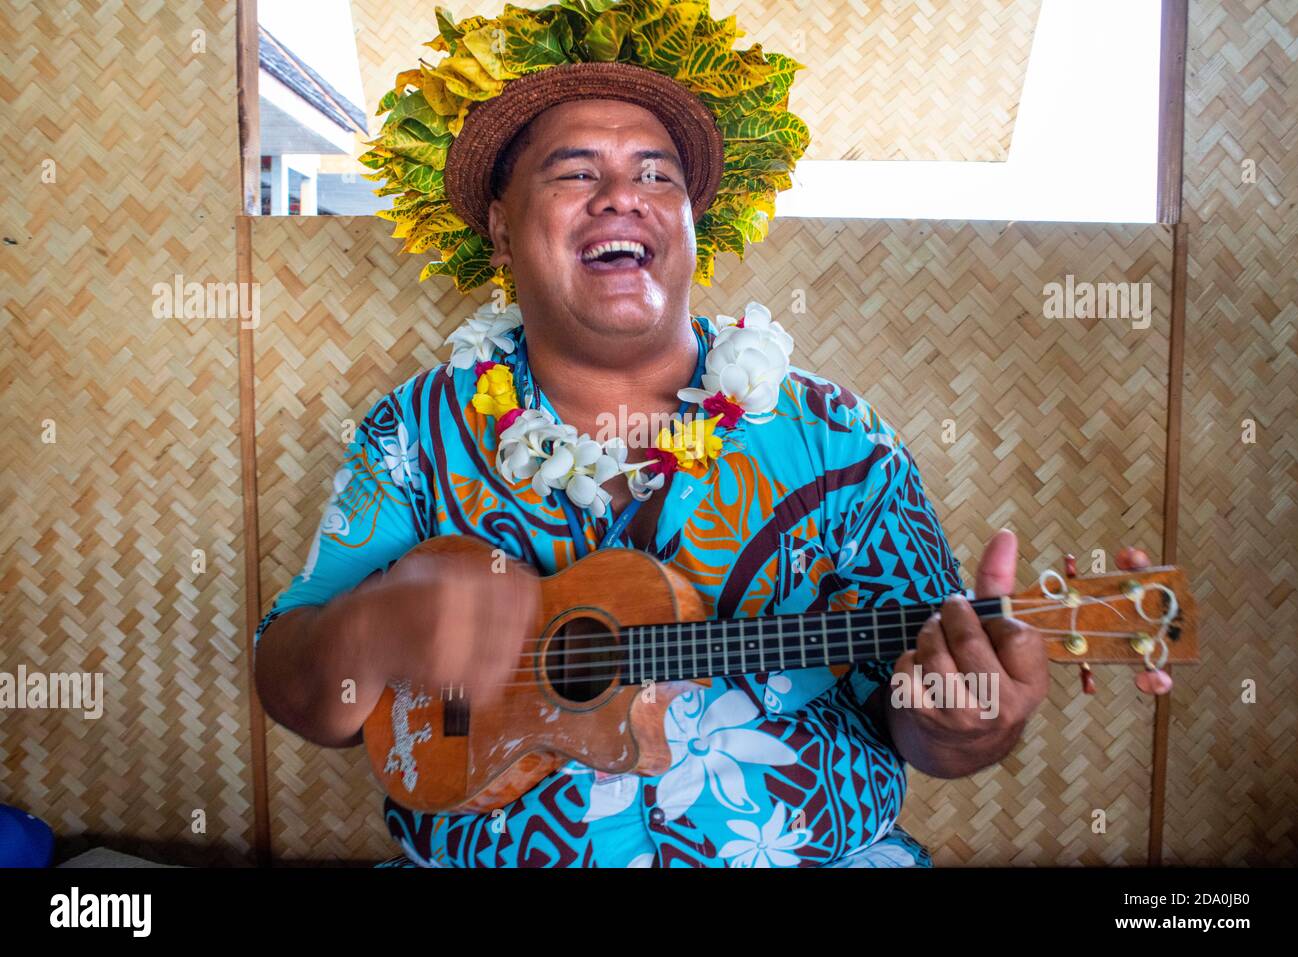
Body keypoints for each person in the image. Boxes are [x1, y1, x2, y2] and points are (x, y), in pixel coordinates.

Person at [253, 1, 1051, 867]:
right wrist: (373, 626)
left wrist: (969, 725)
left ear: (690, 225)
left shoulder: (841, 440)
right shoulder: (416, 430)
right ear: (501, 228)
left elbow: (926, 720)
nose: (623, 197)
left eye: (657, 176)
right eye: (575, 172)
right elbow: (294, 686)